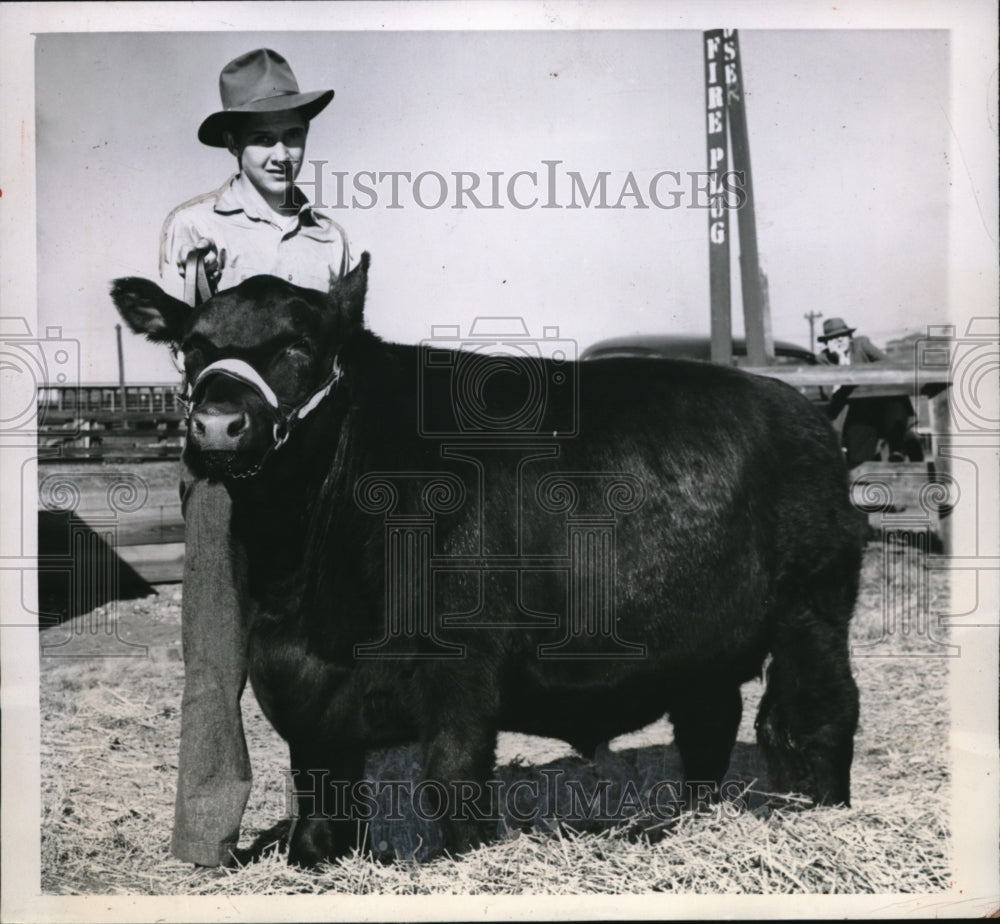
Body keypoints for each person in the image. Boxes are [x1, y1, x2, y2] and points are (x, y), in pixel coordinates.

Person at [159, 48, 349, 868]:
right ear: (234, 144)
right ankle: (206, 842)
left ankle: (330, 823)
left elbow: (342, 363)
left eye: (293, 134)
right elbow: (188, 355)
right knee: (217, 652)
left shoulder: (331, 238)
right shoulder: (194, 230)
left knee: (330, 643)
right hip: (227, 472)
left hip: (315, 484)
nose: (282, 153)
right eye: (263, 137)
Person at [816, 317, 922, 468]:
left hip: (882, 405)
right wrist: (841, 362)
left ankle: (897, 449)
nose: (839, 340)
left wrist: (862, 376)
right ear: (826, 344)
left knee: (895, 409)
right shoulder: (823, 360)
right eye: (832, 338)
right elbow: (829, 394)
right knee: (859, 460)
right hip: (855, 413)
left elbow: (889, 365)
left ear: (849, 337)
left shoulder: (861, 344)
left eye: (842, 336)